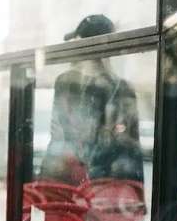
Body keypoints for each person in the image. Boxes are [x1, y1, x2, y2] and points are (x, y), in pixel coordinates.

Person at [40, 14, 142, 185]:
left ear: (85, 44)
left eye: (78, 42)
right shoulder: (123, 87)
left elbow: (59, 133)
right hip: (104, 181)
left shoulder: (66, 82)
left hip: (69, 181)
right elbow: (131, 147)